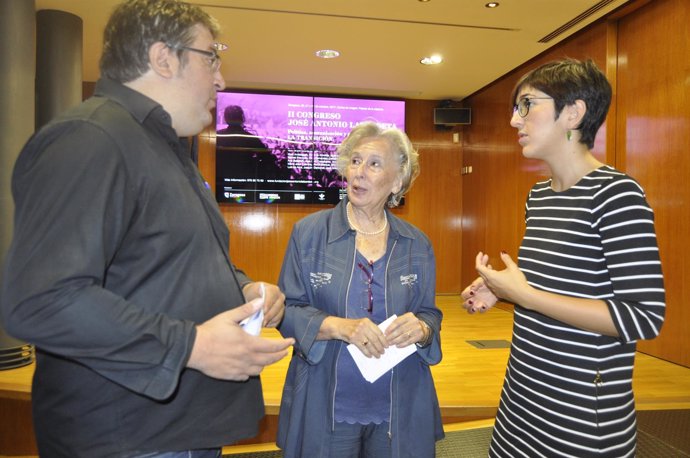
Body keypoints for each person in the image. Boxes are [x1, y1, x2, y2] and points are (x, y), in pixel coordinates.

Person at [0, 1, 294, 457]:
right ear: (164, 57)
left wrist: (242, 290)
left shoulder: (161, 148)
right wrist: (191, 345)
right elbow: (41, 300)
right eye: (211, 56)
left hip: (175, 430)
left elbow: (164, 262)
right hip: (128, 438)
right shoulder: (90, 138)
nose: (221, 78)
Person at [461, 59, 666, 457]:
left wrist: (526, 296)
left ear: (573, 112)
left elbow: (644, 316)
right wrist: (499, 290)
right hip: (523, 398)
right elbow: (557, 284)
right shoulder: (539, 196)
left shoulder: (617, 195)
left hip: (581, 417)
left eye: (526, 105)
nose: (513, 121)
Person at [276, 121, 444, 458]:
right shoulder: (309, 234)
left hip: (398, 405)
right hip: (328, 405)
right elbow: (286, 313)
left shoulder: (416, 244)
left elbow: (429, 314)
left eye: (374, 163)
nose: (359, 172)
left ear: (398, 180)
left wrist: (423, 329)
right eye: (355, 161)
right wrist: (341, 327)